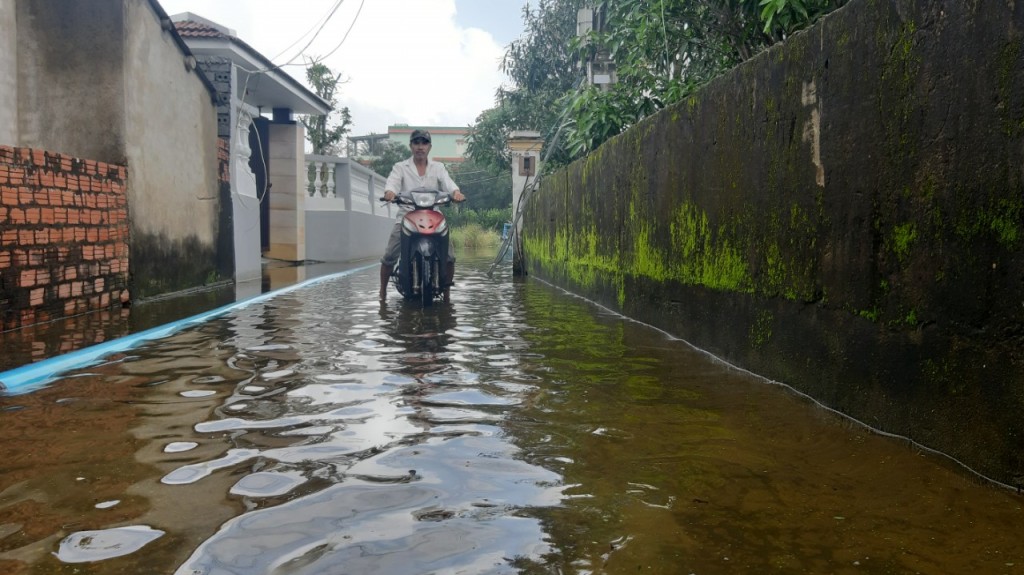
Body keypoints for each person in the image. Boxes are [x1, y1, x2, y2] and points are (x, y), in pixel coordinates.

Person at [380, 129, 465, 301]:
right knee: (389, 255)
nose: (420, 147)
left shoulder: (438, 167)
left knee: (449, 257)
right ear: (411, 146)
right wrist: (390, 192)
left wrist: (456, 192)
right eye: (416, 143)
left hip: (434, 215)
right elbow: (392, 183)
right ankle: (382, 291)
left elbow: (449, 183)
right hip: (407, 214)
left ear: (429, 147)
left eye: (424, 143)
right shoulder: (400, 167)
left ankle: (447, 293)